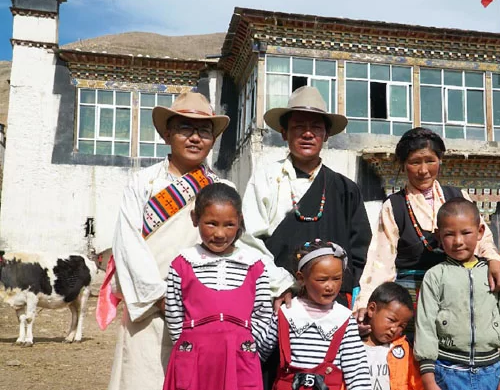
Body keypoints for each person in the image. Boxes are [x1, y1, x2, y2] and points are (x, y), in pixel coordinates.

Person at [98, 92, 289, 390]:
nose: (195, 138)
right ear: (167, 133)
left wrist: (280, 283)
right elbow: (127, 244)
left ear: (212, 139)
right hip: (149, 307)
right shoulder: (143, 182)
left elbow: (246, 244)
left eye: (204, 131)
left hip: (205, 315)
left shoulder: (221, 188)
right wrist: (160, 296)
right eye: (185, 128)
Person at [354, 128, 500, 332]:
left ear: (440, 160)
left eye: (430, 160)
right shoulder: (395, 205)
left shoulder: (458, 196)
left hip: (457, 293)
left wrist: (495, 262)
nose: (423, 170)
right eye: (414, 162)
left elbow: (482, 240)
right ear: (403, 165)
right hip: (412, 296)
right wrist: (366, 302)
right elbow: (381, 260)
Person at [242, 86, 371, 308]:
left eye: (316, 128)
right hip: (277, 298)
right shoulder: (266, 178)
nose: (308, 134)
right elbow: (249, 240)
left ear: (326, 135)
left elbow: (361, 251)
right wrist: (279, 284)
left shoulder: (345, 189)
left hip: (332, 303)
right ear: (284, 133)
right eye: (299, 127)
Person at [162, 183, 272, 390]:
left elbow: (263, 313)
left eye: (229, 224)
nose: (220, 234)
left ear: (240, 221)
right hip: (195, 358)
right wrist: (188, 345)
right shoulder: (182, 264)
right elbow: (174, 315)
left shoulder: (254, 265)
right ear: (195, 219)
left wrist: (245, 343)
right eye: (211, 223)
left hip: (239, 357)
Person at [415, 197, 500, 390]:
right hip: (446, 372)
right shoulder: (435, 276)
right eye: (449, 234)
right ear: (438, 236)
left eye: (466, 232)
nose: (458, 241)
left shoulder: (494, 273)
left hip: (491, 372)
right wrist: (428, 377)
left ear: (480, 232)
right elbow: (425, 325)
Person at [259, 239, 371, 390]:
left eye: (337, 278)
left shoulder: (344, 319)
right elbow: (258, 353)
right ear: (301, 278)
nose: (330, 286)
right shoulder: (286, 313)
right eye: (322, 279)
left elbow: (357, 371)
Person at [362, 282, 422, 390]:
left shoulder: (405, 351)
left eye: (401, 326)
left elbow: (416, 384)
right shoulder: (350, 344)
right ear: (371, 309)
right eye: (391, 320)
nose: (394, 329)